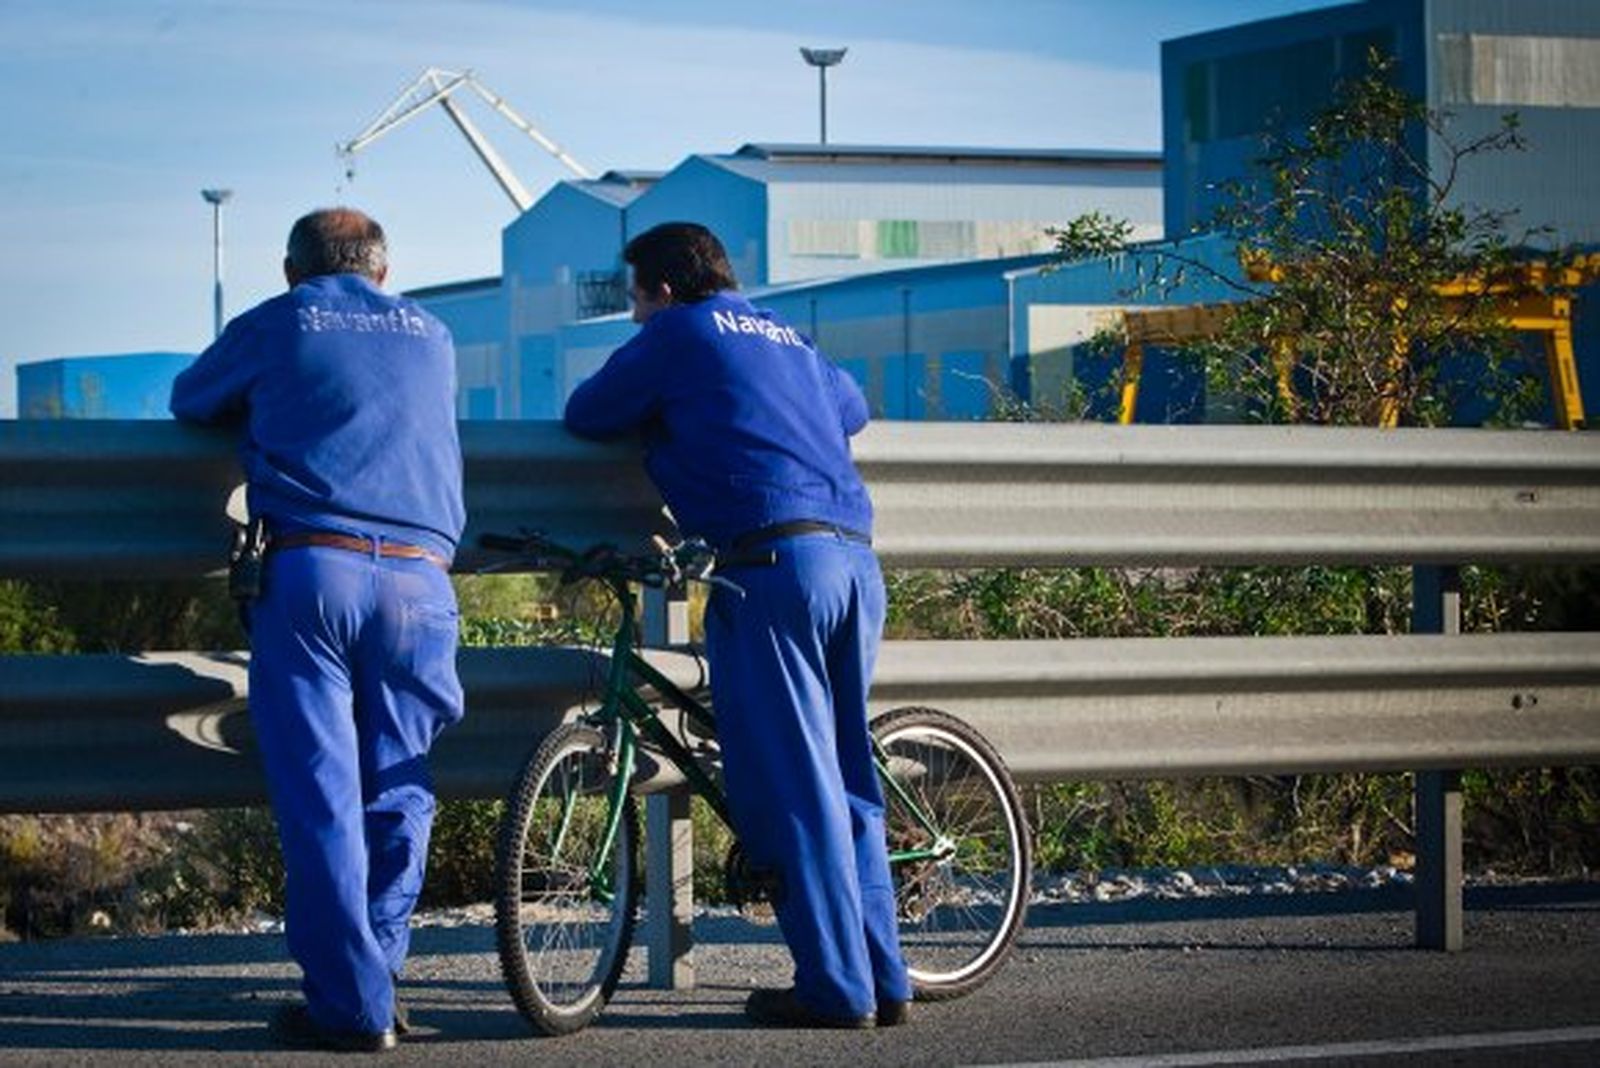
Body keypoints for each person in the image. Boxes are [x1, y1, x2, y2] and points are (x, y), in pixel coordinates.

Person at [564, 221, 911, 1029]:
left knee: (793, 783)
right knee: (846, 772)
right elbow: (852, 411)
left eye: (634, 300)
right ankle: (885, 978)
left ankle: (836, 989)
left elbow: (588, 413)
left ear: (663, 287)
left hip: (772, 571)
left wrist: (669, 419)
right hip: (855, 563)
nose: (633, 317)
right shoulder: (787, 333)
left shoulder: (678, 331)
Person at [170, 208, 465, 1053]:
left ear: (293, 268)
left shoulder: (278, 320)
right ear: (383, 267)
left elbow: (189, 400)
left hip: (316, 571)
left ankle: (352, 1004)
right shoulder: (434, 332)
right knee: (400, 785)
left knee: (322, 796)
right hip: (422, 579)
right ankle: (381, 969)